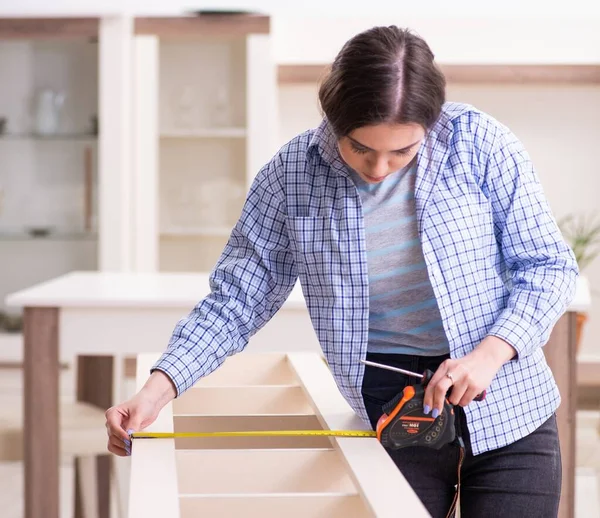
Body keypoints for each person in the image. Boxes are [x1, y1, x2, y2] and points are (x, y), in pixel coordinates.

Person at [105, 25, 578, 517]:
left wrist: (487, 357)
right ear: (333, 117)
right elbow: (236, 301)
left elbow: (547, 266)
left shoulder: (480, 143)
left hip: (508, 404)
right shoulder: (291, 175)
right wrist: (156, 391)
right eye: (361, 148)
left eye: (402, 151)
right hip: (390, 411)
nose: (379, 168)